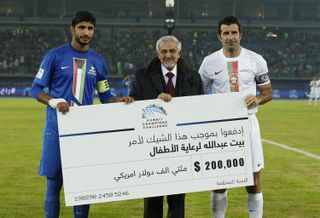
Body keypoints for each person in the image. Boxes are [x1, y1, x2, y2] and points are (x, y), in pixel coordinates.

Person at [30, 11, 133, 218]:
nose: (86, 32)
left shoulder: (98, 61)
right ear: (72, 29)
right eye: (82, 27)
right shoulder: (54, 56)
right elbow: (35, 89)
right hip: (56, 127)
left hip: (85, 131)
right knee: (54, 183)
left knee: (84, 187)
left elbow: (105, 96)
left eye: (90, 28)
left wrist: (118, 101)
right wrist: (53, 101)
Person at [198, 16, 272, 218]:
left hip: (248, 124)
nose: (230, 37)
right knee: (219, 179)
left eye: (234, 32)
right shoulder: (209, 62)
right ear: (219, 36)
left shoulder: (256, 60)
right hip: (219, 128)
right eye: (226, 33)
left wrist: (257, 99)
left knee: (253, 179)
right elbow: (198, 93)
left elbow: (267, 92)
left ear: (241, 34)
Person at [130, 35, 203, 218]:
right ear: (157, 54)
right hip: (152, 147)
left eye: (172, 51)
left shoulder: (193, 77)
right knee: (153, 200)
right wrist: (155, 103)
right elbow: (133, 109)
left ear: (179, 54)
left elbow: (201, 110)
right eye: (164, 51)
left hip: (182, 147)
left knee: (178, 200)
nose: (168, 55)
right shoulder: (141, 76)